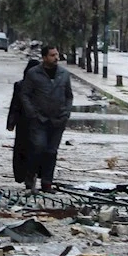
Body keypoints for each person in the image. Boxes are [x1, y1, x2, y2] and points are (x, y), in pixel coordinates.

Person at [19, 45, 74, 192]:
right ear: (44, 57)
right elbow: (24, 94)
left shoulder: (64, 74)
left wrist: (66, 113)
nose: (56, 58)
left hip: (58, 119)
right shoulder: (33, 74)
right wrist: (32, 113)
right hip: (39, 119)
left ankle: (47, 182)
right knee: (38, 147)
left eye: (57, 55)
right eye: (52, 55)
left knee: (51, 151)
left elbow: (69, 95)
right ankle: (30, 177)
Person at [7, 58, 40, 186]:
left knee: (36, 149)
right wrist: (11, 122)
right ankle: (23, 175)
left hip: (38, 122)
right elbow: (14, 104)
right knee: (22, 149)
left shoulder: (42, 86)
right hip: (23, 122)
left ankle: (33, 175)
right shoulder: (20, 85)